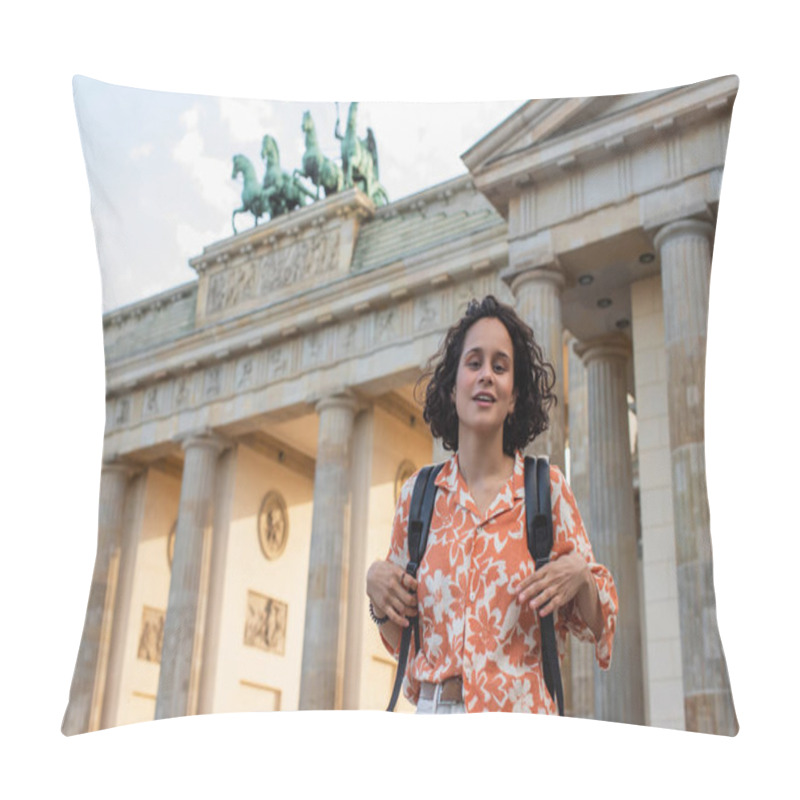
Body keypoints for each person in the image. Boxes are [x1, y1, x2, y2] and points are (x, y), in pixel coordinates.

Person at [366, 295, 618, 714]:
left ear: (514, 395)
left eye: (500, 367)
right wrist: (377, 596)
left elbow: (602, 623)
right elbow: (402, 638)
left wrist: (582, 577)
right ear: (452, 386)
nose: (486, 375)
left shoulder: (547, 490)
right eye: (474, 363)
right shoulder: (418, 495)